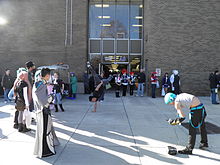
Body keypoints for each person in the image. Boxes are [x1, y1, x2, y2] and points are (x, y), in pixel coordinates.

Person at [33, 68, 60, 158]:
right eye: (49, 75)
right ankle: (45, 151)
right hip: (43, 111)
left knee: (44, 130)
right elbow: (43, 101)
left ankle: (45, 149)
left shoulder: (39, 83)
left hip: (41, 111)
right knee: (45, 131)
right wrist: (51, 97)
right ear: (47, 75)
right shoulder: (41, 85)